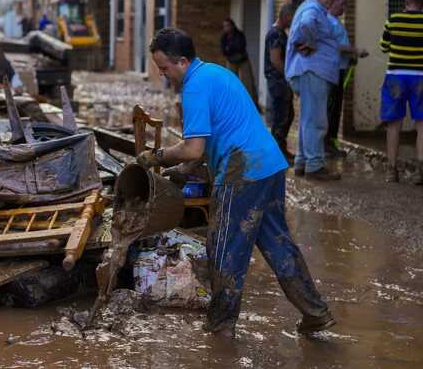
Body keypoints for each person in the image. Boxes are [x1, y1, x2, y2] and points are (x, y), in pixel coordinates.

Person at [139, 28, 334, 338]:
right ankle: (316, 313)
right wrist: (182, 170)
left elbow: (192, 148)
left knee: (224, 250)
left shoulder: (193, 88)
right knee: (278, 243)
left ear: (182, 62)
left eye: (164, 68)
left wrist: (158, 157)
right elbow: (207, 144)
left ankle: (220, 329)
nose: (164, 75)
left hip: (242, 172)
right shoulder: (217, 73)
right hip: (269, 165)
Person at [286, 0, 342, 181]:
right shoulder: (313, 9)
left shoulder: (312, 8)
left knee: (308, 119)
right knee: (316, 120)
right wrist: (307, 42)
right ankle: (315, 165)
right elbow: (306, 25)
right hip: (313, 71)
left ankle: (303, 161)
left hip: (311, 71)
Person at [380, 0, 423, 185]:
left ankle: (391, 170)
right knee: (422, 125)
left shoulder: (393, 20)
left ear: (406, 2)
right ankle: (419, 172)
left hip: (396, 77)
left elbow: (384, 47)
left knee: (394, 125)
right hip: (420, 78)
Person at [325, 0, 369, 158]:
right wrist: (355, 50)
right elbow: (334, 46)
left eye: (346, 4)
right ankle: (327, 146)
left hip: (340, 69)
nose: (344, 8)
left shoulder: (336, 21)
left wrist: (350, 57)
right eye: (342, 4)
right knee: (331, 108)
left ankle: (330, 143)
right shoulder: (328, 22)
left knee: (335, 108)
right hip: (332, 71)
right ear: (333, 2)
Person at [264, 4, 295, 158]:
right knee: (282, 117)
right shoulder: (276, 34)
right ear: (286, 16)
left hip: (280, 81)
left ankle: (280, 150)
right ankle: (276, 154)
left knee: (287, 115)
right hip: (278, 81)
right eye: (292, 18)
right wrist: (289, 76)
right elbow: (276, 60)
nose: (292, 22)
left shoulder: (280, 33)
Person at [220, 19, 258, 106]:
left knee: (248, 82)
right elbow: (224, 51)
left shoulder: (239, 34)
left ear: (232, 25)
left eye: (228, 26)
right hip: (231, 60)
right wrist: (230, 49)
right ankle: (232, 103)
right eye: (225, 26)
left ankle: (251, 103)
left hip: (242, 59)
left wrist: (230, 48)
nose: (227, 28)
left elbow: (241, 47)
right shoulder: (224, 37)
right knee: (230, 82)